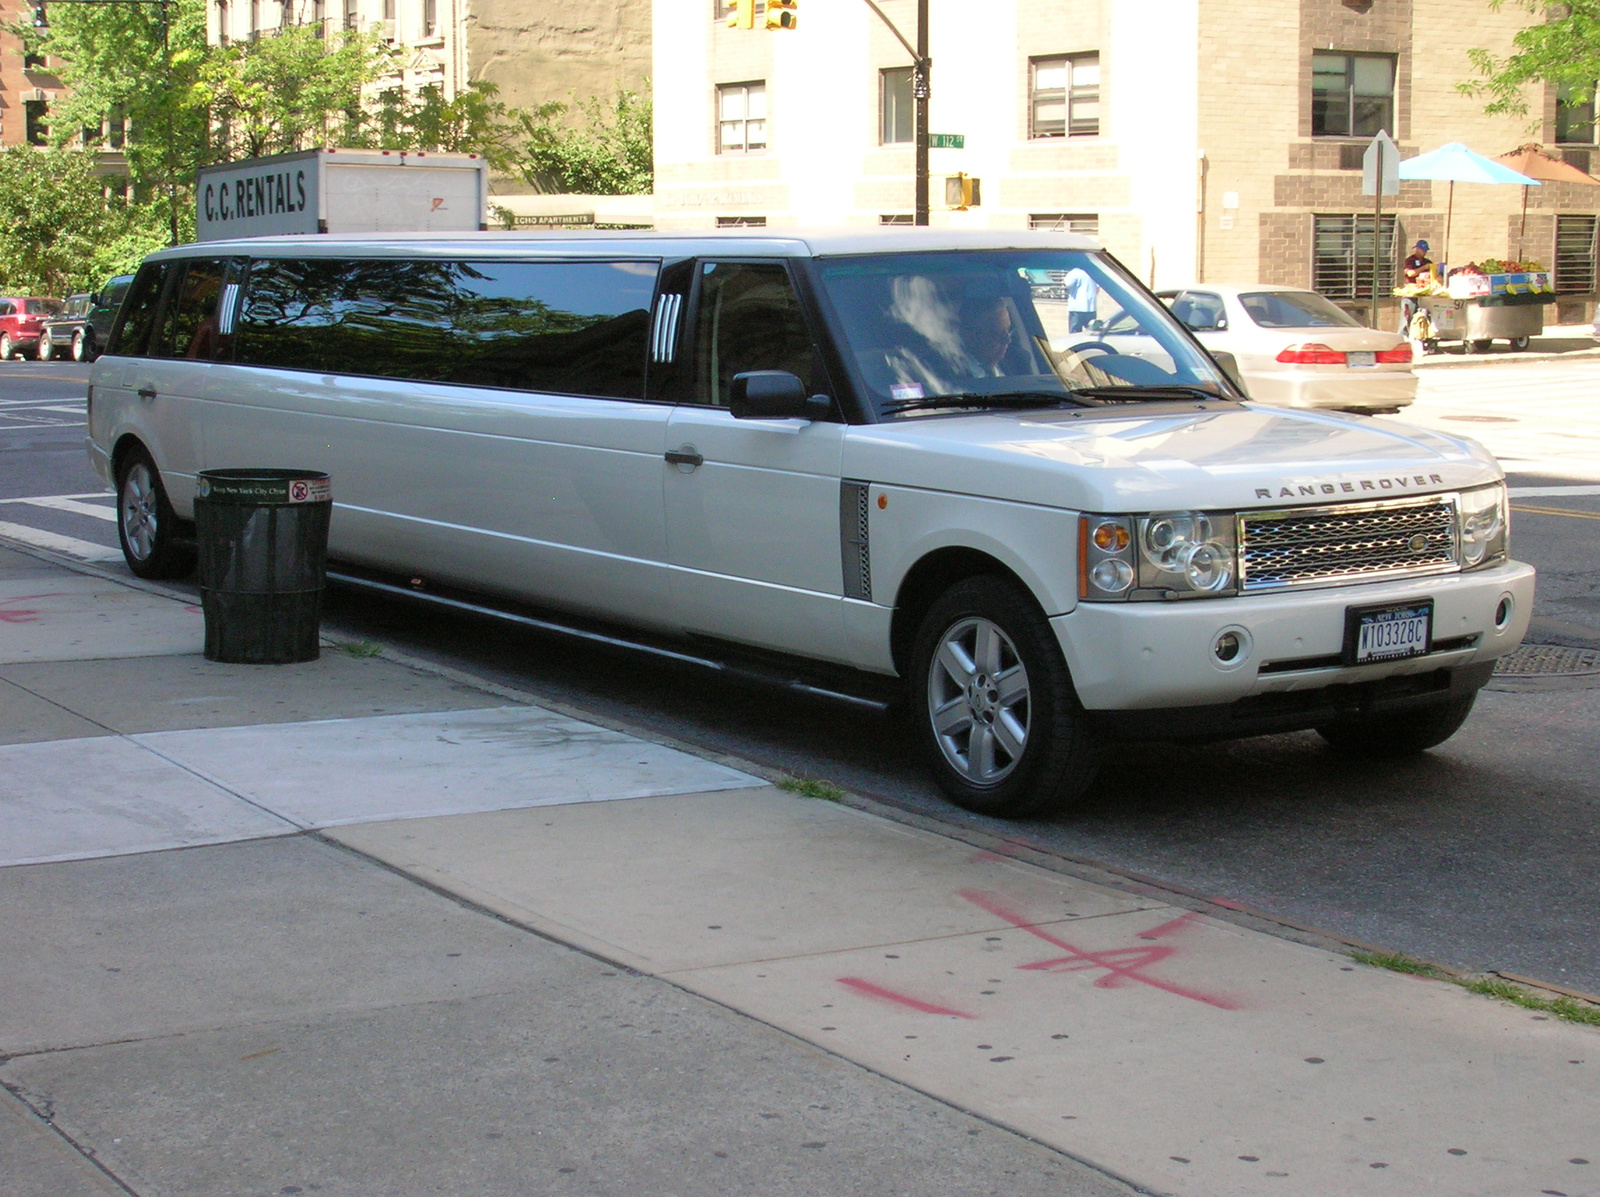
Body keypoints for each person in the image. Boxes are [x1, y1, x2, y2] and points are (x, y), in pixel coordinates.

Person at [1398, 239, 1433, 335]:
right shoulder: (1410, 261)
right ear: (1417, 249)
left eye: (1425, 250)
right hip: (1411, 294)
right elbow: (1410, 273)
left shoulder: (1427, 261)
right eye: (1422, 250)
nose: (1424, 252)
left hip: (1423, 294)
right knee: (1406, 319)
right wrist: (1423, 268)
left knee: (1424, 318)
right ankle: (1402, 338)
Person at [1064, 267, 1100, 333]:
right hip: (1091, 308)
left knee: (1074, 335)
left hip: (1076, 308)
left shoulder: (1075, 272)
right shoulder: (1093, 272)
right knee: (1092, 333)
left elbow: (1067, 284)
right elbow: (1097, 289)